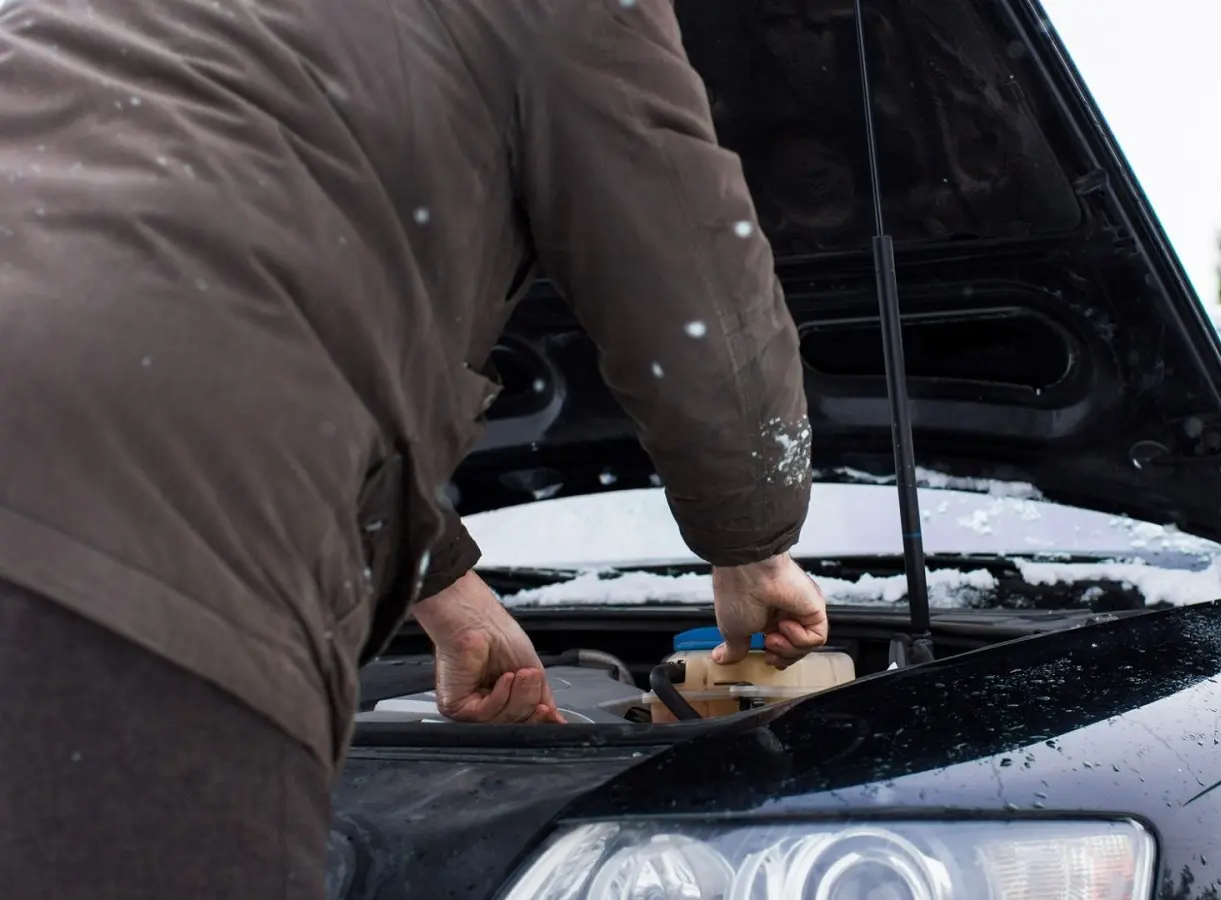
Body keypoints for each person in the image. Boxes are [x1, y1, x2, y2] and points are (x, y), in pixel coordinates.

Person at [0, 0, 829, 895]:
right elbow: (692, 283)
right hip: (115, 550)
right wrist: (753, 543)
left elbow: (221, 281)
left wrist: (444, 590)